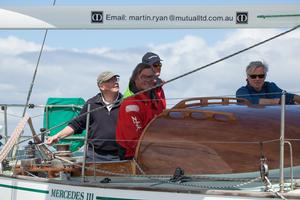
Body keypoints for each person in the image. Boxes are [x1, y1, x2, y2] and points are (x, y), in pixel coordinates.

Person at [46, 71, 123, 162]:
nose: (115, 82)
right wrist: (57, 136)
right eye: (111, 80)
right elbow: (76, 124)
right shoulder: (92, 104)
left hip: (120, 155)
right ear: (101, 86)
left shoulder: (125, 103)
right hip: (95, 155)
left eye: (116, 79)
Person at [116, 63, 166, 159]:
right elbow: (133, 141)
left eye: (151, 77)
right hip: (133, 158)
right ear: (135, 79)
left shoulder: (154, 101)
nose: (148, 80)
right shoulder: (131, 105)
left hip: (152, 152)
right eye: (144, 77)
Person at [236, 61, 300, 105]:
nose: (257, 79)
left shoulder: (270, 86)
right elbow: (249, 101)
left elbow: (288, 96)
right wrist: (277, 101)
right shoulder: (241, 91)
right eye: (253, 76)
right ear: (247, 77)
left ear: (265, 76)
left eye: (261, 76)